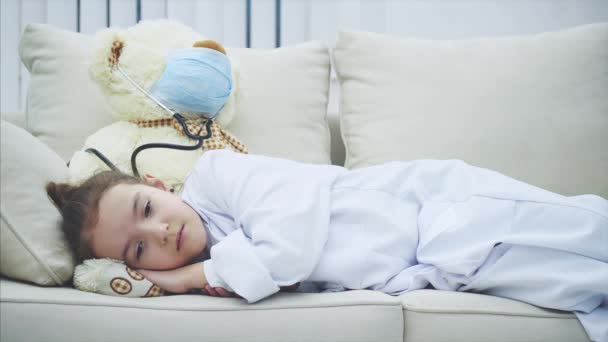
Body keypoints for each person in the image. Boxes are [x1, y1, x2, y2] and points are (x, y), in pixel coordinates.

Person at [47, 149, 607, 341]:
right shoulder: (222, 271)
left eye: (148, 211)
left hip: (445, 213)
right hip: (433, 268)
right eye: (140, 252)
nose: (160, 232)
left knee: (586, 237)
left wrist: (179, 278)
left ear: (158, 186)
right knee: (586, 293)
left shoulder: (219, 176)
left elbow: (288, 249)